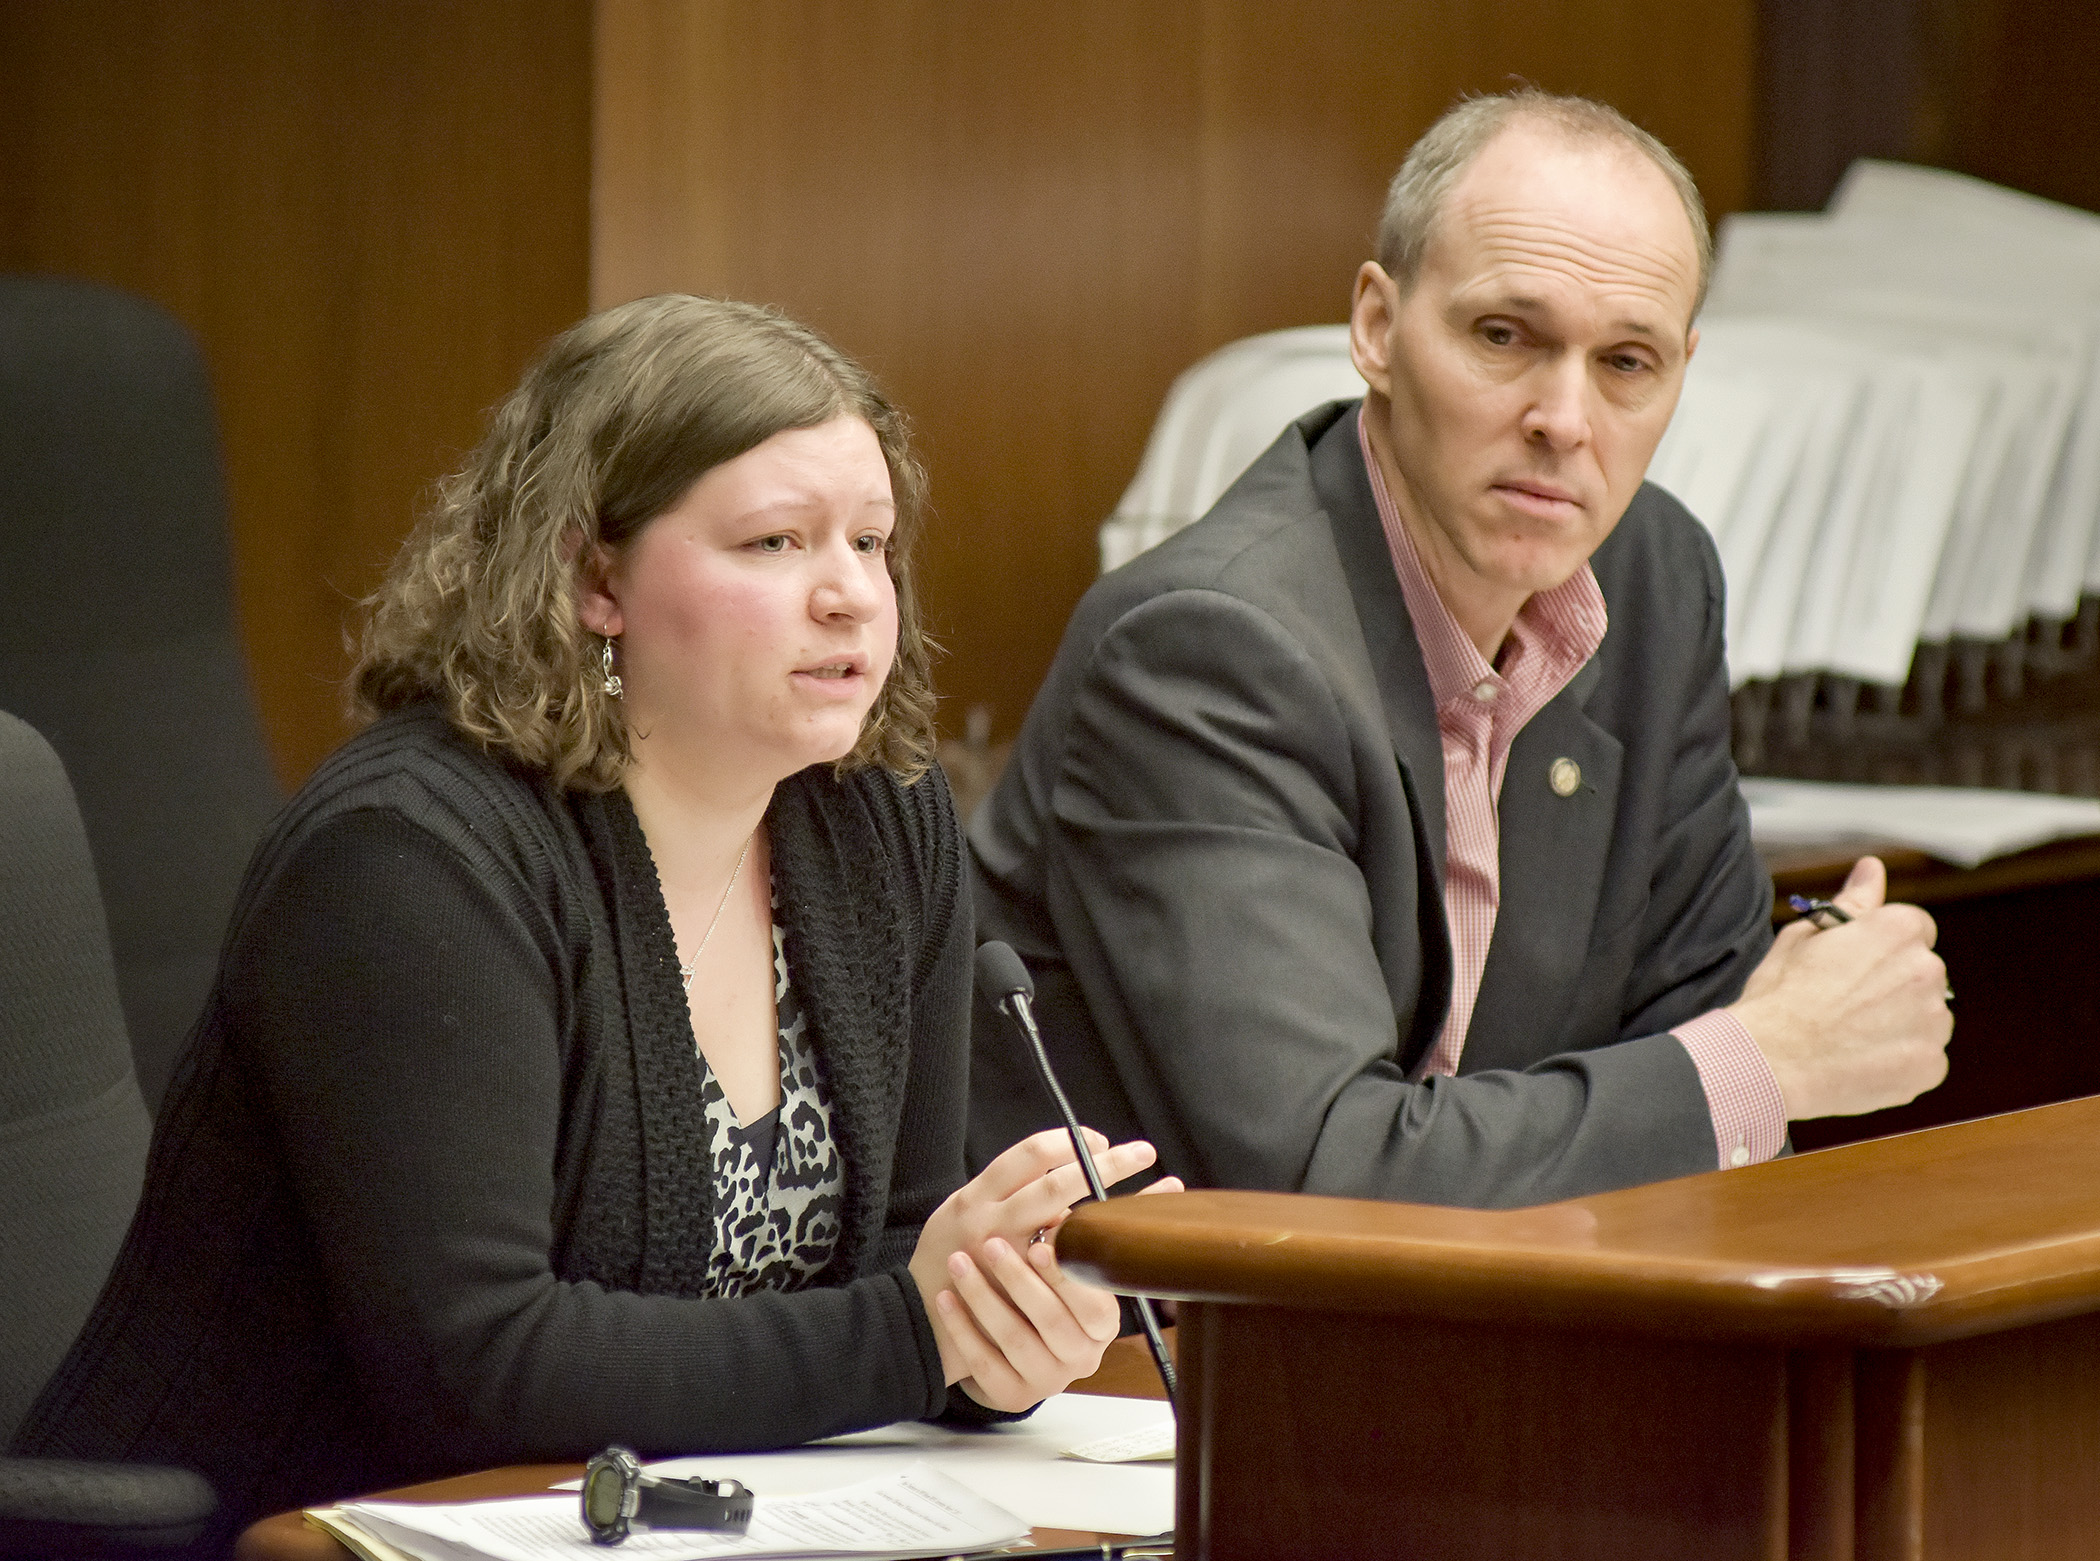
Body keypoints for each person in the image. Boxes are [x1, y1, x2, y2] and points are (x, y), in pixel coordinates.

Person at [14, 295, 1174, 1548]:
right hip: (288, 1535)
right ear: (594, 576)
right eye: (777, 543)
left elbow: (903, 1253)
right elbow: (479, 1367)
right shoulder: (412, 861)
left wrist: (993, 1340)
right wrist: (917, 1334)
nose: (849, 595)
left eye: (871, 542)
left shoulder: (879, 830)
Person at [968, 89, 1953, 1209]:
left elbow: (1697, 1025)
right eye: (1504, 336)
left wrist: (1757, 1052)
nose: (1564, 419)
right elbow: (1320, 1177)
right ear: (1378, 330)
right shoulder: (1207, 651)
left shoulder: (1654, 577)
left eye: (1627, 363)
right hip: (1140, 1357)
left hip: (1492, 1330)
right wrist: (1776, 1060)